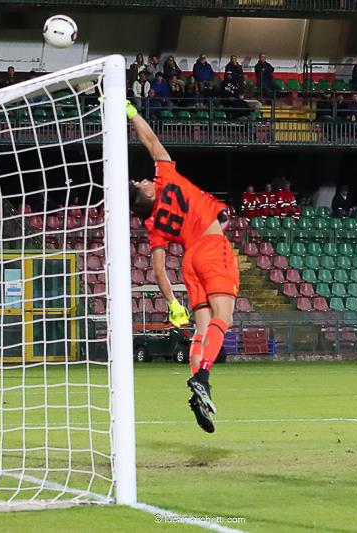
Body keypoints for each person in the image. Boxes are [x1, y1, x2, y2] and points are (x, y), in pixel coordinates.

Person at [126, 99, 239, 433]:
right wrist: (131, 113)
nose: (144, 180)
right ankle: (202, 377)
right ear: (148, 195)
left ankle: (198, 391)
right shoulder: (167, 178)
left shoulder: (153, 226)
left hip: (190, 261)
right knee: (224, 318)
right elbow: (151, 141)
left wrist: (173, 303)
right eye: (141, 184)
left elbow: (159, 269)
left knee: (202, 330)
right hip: (212, 246)